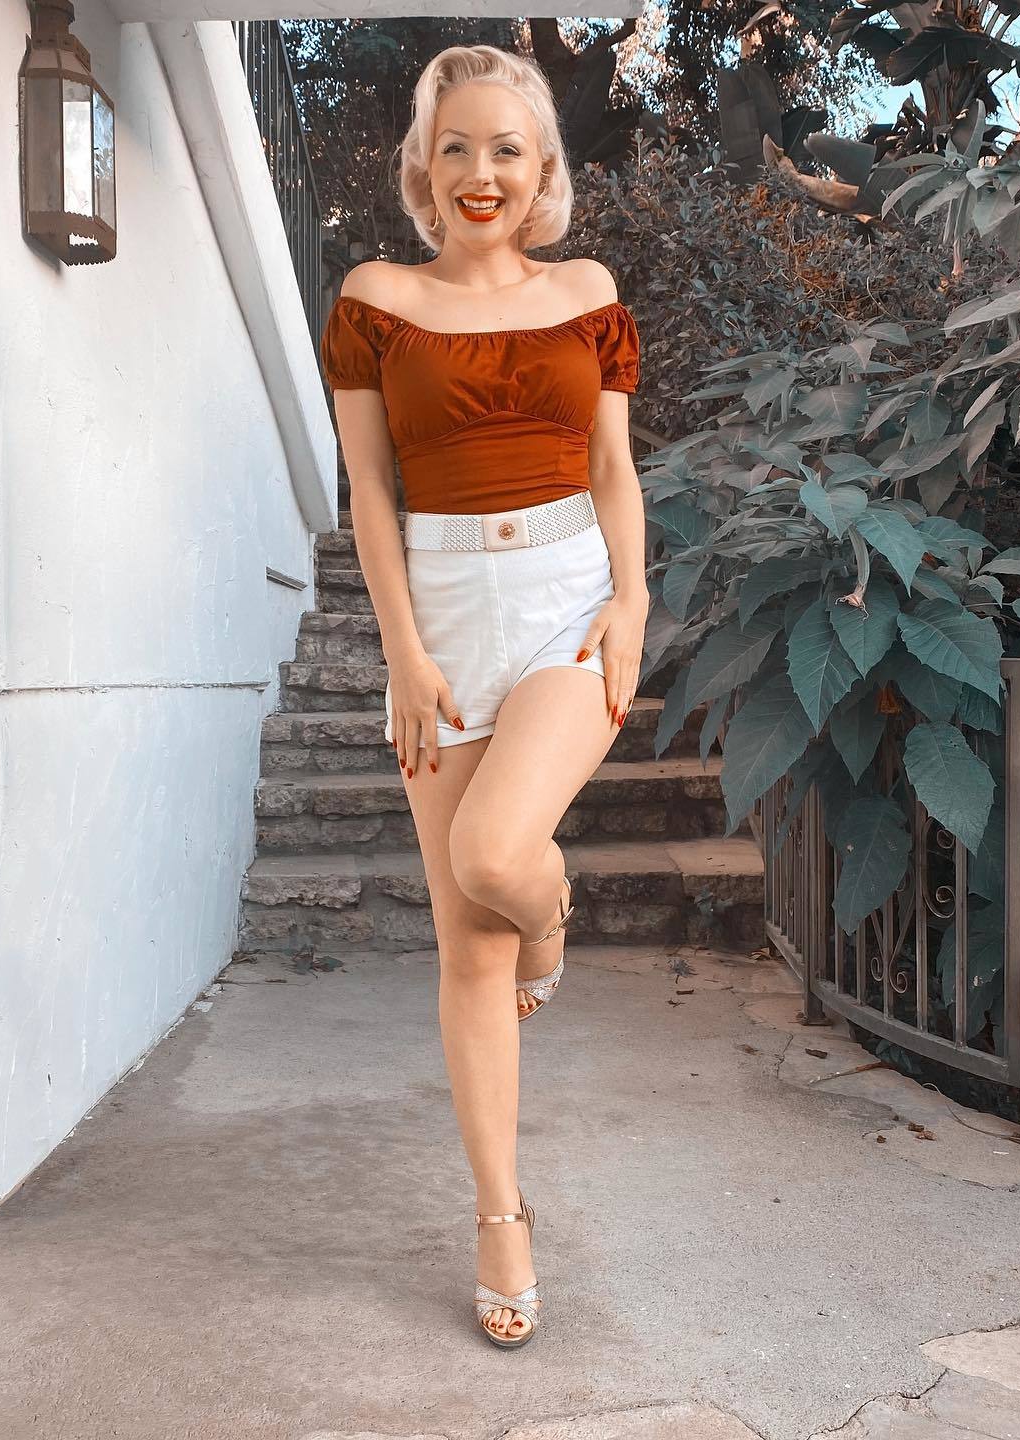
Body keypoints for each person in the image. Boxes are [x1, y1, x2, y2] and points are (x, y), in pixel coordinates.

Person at [318, 43, 647, 1349]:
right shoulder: (375, 300)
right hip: (444, 619)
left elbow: (612, 467)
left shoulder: (587, 291)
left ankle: (553, 922)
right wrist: (401, 650)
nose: (480, 172)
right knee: (467, 946)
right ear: (422, 164)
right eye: (454, 146)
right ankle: (501, 1216)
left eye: (506, 148)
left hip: (568, 601)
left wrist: (632, 599)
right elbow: (370, 490)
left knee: (499, 859)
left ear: (542, 165)